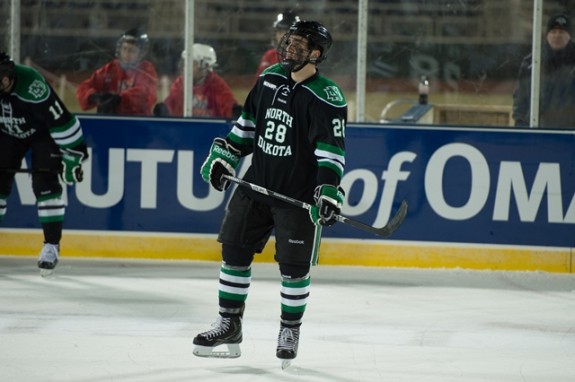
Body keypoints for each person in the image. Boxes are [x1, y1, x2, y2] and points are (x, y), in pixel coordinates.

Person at [193, 21, 347, 366]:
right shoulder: (268, 78)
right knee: (233, 251)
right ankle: (229, 324)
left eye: (299, 45)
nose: (290, 48)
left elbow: (331, 152)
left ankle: (289, 329)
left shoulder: (327, 96)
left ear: (317, 54)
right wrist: (224, 158)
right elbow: (246, 127)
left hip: (297, 198)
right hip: (255, 185)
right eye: (289, 42)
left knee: (294, 268)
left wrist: (327, 191)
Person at [0, 52, 89, 275]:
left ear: (10, 75)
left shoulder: (31, 85)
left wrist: (74, 156)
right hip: (7, 133)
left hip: (43, 133)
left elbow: (61, 120)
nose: (1, 82)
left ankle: (51, 245)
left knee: (45, 184)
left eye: (2, 77)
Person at [76, 27, 158, 116]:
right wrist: (94, 97)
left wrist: (119, 99)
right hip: (110, 121)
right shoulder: (111, 68)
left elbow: (145, 94)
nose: (126, 54)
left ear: (141, 53)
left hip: (136, 122)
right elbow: (84, 87)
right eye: (124, 49)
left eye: (132, 51)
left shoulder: (146, 69)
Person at [512, 14, 575, 129]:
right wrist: (522, 129)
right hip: (538, 132)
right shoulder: (531, 62)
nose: (557, 35)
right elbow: (520, 100)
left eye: (562, 32)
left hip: (569, 135)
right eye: (553, 31)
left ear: (570, 36)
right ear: (547, 35)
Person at [153, 44, 241, 119]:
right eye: (185, 63)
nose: (185, 67)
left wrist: (234, 110)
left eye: (192, 64)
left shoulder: (215, 84)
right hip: (184, 131)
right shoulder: (181, 83)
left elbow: (226, 102)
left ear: (205, 66)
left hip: (210, 132)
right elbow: (172, 101)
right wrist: (165, 109)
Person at [254, 10, 301, 79]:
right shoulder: (270, 55)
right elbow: (259, 82)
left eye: (286, 31)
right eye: (279, 31)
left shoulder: (303, 56)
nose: (282, 35)